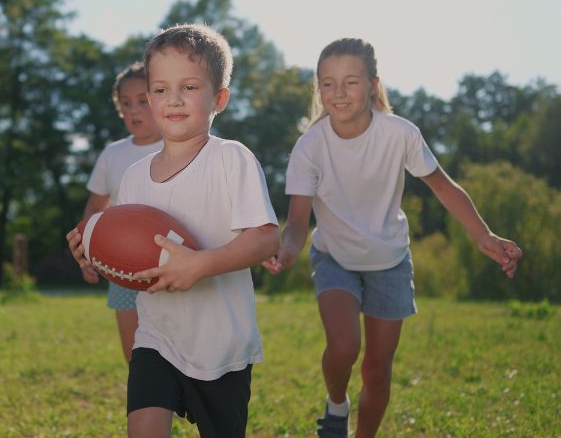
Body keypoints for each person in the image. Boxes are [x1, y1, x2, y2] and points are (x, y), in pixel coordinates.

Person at [262, 38, 523, 438]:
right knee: (345, 347)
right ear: (318, 89)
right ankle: (336, 406)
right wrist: (287, 250)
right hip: (335, 258)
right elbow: (298, 220)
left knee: (377, 370)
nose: (338, 93)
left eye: (350, 81)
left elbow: (444, 187)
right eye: (327, 83)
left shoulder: (399, 133)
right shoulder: (310, 146)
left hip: (390, 262)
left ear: (372, 84)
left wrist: (483, 235)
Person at [67, 23, 279, 438]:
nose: (174, 99)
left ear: (219, 98)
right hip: (157, 338)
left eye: (190, 87)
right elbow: (127, 246)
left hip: (220, 346)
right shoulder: (132, 177)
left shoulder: (230, 159)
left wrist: (200, 265)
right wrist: (92, 249)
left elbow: (266, 238)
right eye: (161, 90)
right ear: (148, 99)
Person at [80, 62, 164, 363]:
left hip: (173, 267)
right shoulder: (113, 154)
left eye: (143, 101)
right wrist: (87, 251)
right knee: (137, 359)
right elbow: (95, 207)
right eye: (126, 104)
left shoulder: (180, 147)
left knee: (179, 357)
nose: (134, 111)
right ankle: (148, 406)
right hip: (124, 268)